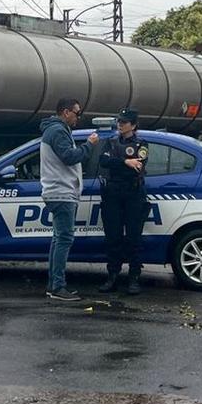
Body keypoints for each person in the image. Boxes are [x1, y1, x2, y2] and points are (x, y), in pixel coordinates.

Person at [40, 98, 99, 301]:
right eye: (77, 112)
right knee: (64, 239)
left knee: (59, 239)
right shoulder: (57, 131)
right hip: (61, 192)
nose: (78, 117)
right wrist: (89, 146)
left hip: (61, 191)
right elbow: (69, 157)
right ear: (65, 112)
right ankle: (58, 286)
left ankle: (53, 284)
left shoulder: (56, 130)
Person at [98, 108, 150, 295]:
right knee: (113, 237)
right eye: (119, 121)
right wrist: (125, 162)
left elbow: (138, 166)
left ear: (133, 125)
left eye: (124, 122)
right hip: (113, 194)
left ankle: (134, 278)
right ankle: (112, 276)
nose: (120, 124)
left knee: (134, 238)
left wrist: (121, 162)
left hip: (133, 193)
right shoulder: (110, 142)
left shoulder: (141, 144)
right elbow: (104, 162)